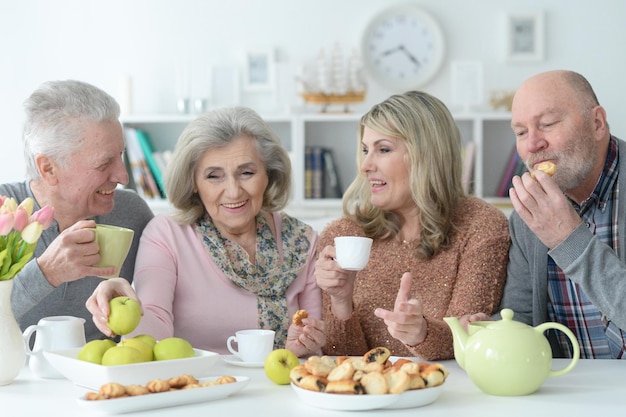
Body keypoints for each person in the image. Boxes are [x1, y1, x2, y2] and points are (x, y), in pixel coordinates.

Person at [86, 106, 325, 358]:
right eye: (214, 176)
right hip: (197, 386)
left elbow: (317, 347)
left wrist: (307, 345)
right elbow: (153, 328)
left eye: (247, 173)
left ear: (269, 174)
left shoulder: (302, 240)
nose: (233, 191)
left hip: (279, 388)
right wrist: (129, 309)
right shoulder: (166, 235)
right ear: (194, 184)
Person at [314, 91, 510, 361]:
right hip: (363, 397)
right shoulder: (343, 236)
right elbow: (343, 361)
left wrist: (421, 333)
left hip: (449, 394)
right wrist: (340, 301)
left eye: (383, 149)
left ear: (426, 156)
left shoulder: (480, 227)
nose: (366, 166)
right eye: (364, 150)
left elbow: (467, 342)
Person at [465, 70, 626, 359]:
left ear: (597, 123)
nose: (532, 145)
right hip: (566, 393)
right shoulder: (527, 218)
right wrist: (497, 332)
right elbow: (523, 320)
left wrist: (568, 239)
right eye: (521, 132)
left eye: (548, 124)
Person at [0, 80, 154, 342]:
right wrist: (46, 273)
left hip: (102, 379)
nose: (123, 176)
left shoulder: (132, 213)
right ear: (48, 168)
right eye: (105, 162)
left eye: (121, 155)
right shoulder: (5, 212)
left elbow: (168, 304)